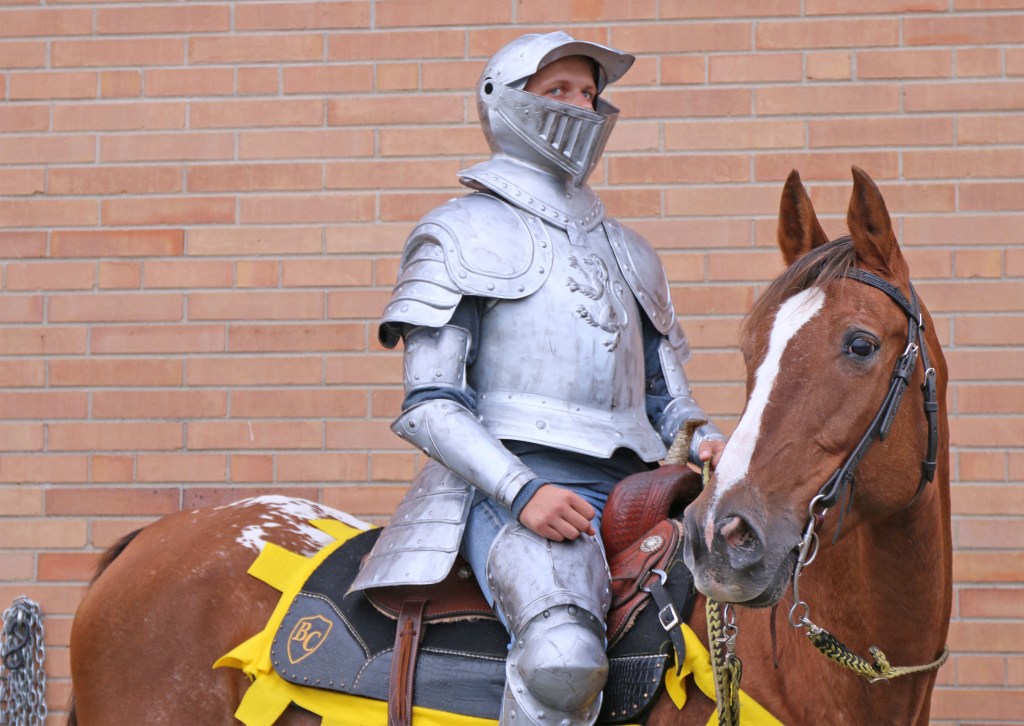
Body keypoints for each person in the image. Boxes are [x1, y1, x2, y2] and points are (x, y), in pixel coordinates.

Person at [350, 31, 726, 726]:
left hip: (641, 489)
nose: (581, 108)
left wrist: (705, 440)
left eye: (589, 93)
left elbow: (667, 397)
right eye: (558, 92)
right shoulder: (460, 232)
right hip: (506, 487)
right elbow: (430, 403)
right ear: (505, 104)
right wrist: (523, 491)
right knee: (563, 661)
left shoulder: (631, 251)